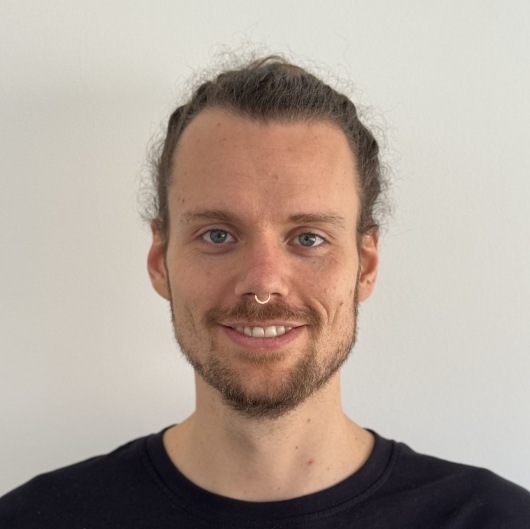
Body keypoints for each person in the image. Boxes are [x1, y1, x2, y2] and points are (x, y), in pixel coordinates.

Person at [1, 56, 529, 528]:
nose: (263, 283)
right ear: (160, 259)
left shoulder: (494, 520)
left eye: (309, 238)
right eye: (217, 235)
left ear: (366, 265)